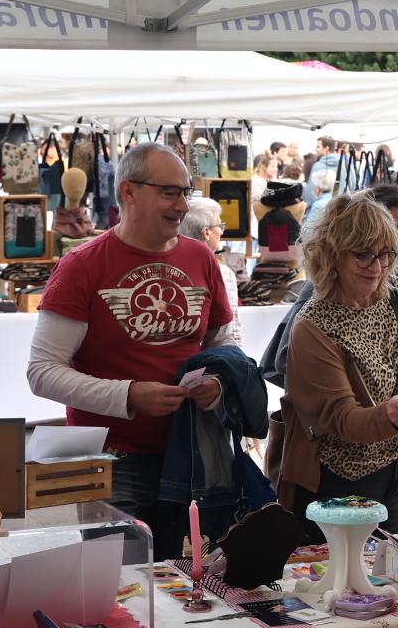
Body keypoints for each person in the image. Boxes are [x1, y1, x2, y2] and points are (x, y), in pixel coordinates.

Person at [26, 143, 233, 557]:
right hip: (111, 458)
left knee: (186, 581)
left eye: (185, 192)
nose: (181, 205)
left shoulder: (201, 258)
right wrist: (128, 395)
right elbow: (42, 371)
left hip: (189, 452)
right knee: (122, 591)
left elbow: (223, 343)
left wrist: (220, 381)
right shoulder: (83, 265)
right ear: (128, 192)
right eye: (169, 192)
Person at [276, 195, 398, 537]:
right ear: (331, 255)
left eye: (386, 254)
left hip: (394, 470)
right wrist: (390, 414)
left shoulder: (394, 290)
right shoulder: (314, 326)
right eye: (363, 255)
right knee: (346, 586)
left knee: (392, 582)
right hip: (336, 486)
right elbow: (343, 419)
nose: (377, 266)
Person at [180, 197, 243, 349]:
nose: (222, 231)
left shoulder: (173, 266)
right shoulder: (222, 272)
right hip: (206, 363)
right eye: (220, 225)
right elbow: (230, 329)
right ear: (206, 232)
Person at [302, 168, 337, 239]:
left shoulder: (318, 205)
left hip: (318, 243)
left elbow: (308, 231)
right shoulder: (335, 199)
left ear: (318, 187)